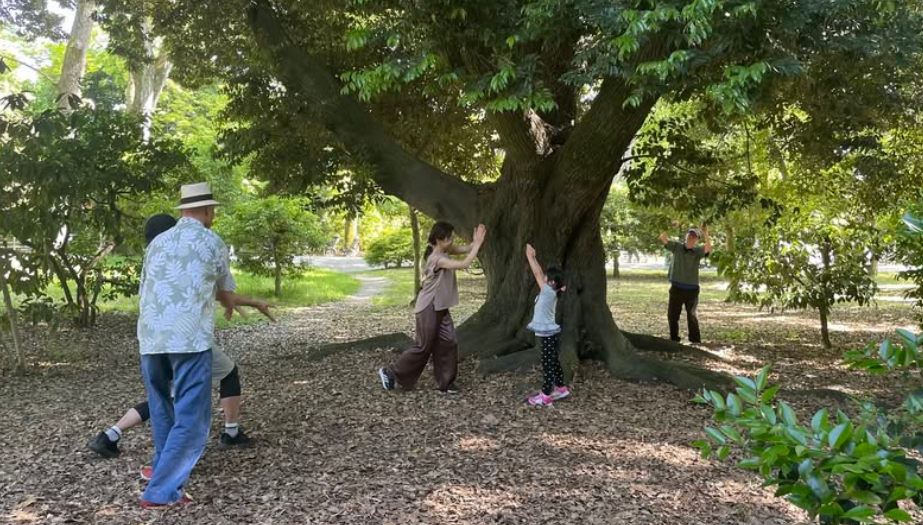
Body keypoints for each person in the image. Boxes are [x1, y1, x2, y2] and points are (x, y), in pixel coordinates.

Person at [88, 214, 274, 461]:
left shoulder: (154, 261)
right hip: (186, 340)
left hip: (153, 341)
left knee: (165, 396)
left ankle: (110, 435)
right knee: (226, 374)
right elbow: (218, 291)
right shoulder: (182, 257)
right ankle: (227, 435)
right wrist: (253, 302)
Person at [136, 182, 249, 508]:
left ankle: (166, 479)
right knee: (193, 419)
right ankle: (159, 493)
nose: (213, 216)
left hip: (151, 339)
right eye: (213, 210)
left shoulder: (157, 242)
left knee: (162, 411)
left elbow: (146, 290)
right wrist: (233, 303)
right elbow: (224, 290)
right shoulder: (211, 241)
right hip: (188, 340)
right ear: (207, 210)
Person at [378, 221, 487, 394]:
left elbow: (466, 249)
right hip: (428, 307)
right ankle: (391, 373)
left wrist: (477, 241)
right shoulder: (437, 259)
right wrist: (478, 244)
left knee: (449, 341)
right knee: (424, 346)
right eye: (449, 238)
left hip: (440, 306)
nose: (452, 241)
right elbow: (464, 263)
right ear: (439, 240)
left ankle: (446, 383)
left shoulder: (443, 249)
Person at [523, 244, 570, 407]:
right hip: (551, 333)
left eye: (545, 278)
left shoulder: (548, 292)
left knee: (548, 364)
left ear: (550, 282)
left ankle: (545, 396)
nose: (542, 278)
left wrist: (531, 257)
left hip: (548, 334)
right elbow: (540, 274)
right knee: (554, 361)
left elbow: (537, 273)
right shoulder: (551, 291)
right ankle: (561, 388)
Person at [659, 223, 712, 343]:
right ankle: (674, 339)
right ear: (686, 235)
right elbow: (663, 237)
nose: (691, 237)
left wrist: (706, 234)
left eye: (694, 236)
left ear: (697, 240)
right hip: (676, 288)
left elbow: (708, 249)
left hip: (692, 290)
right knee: (672, 316)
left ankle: (695, 341)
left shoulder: (697, 251)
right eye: (690, 234)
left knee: (691, 316)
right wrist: (670, 226)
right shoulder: (677, 247)